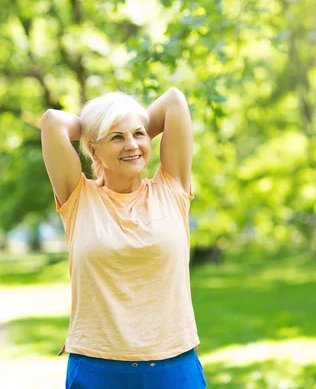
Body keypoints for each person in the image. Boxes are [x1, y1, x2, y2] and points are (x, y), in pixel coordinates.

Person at [40, 88, 206, 388]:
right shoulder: (78, 197)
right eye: (116, 137)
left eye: (139, 134)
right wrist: (98, 126)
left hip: (173, 366)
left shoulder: (172, 188)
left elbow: (174, 100)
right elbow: (52, 122)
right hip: (97, 368)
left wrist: (125, 125)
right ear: (93, 149)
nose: (131, 144)